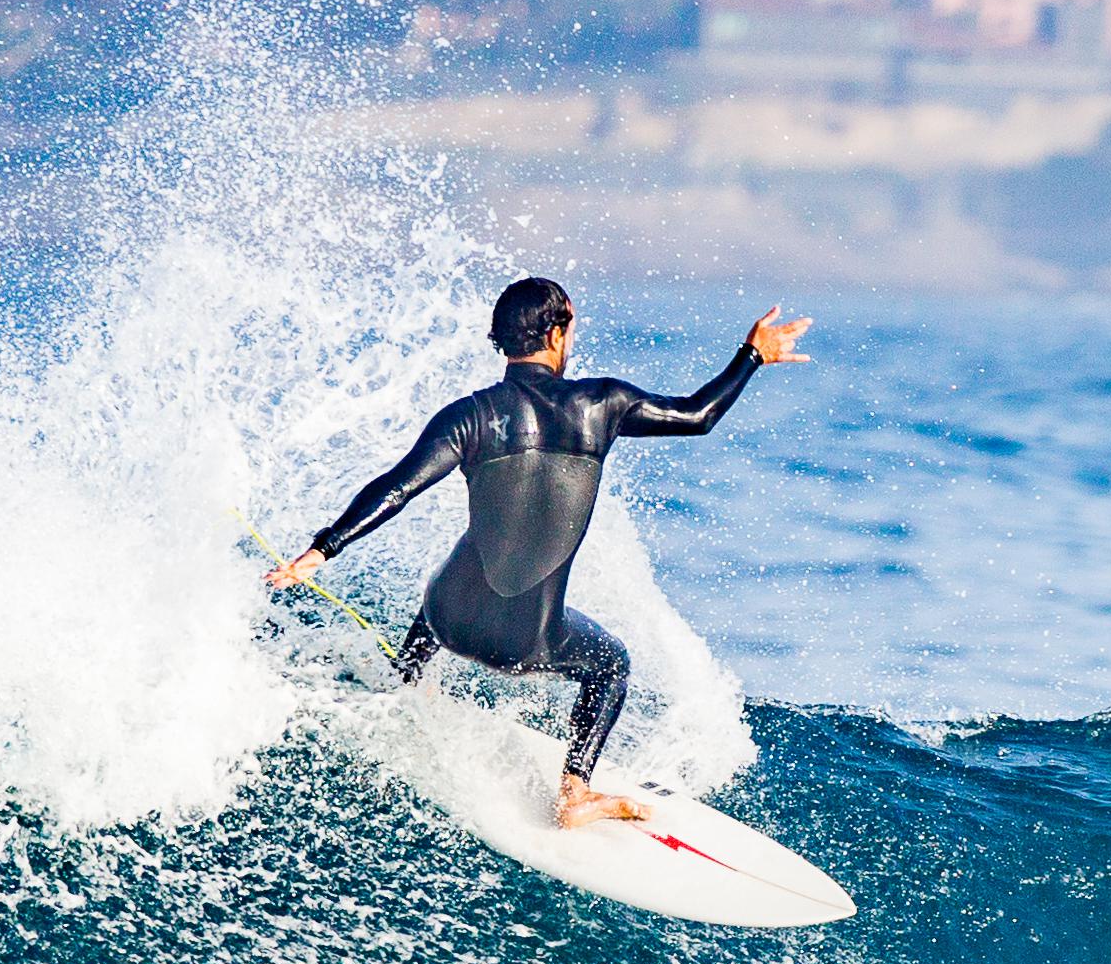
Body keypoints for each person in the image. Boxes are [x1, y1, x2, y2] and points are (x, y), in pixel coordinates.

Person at [272, 278, 813, 827]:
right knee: (611, 664)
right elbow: (698, 416)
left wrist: (320, 551)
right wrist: (752, 355)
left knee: (457, 567)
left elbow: (397, 486)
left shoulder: (470, 415)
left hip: (448, 620)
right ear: (555, 334)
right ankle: (575, 793)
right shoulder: (601, 404)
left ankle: (404, 681)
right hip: (527, 644)